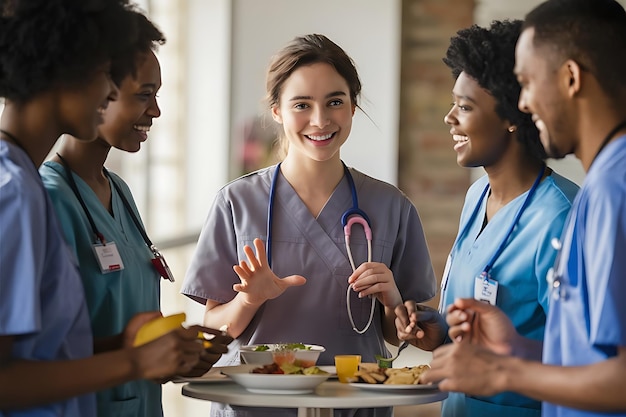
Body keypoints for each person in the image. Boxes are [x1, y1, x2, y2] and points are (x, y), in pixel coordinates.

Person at [181, 33, 436, 417]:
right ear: (277, 111)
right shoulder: (236, 203)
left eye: (335, 101)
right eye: (302, 104)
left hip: (354, 402)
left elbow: (394, 332)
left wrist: (392, 299)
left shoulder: (391, 206)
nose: (320, 120)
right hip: (257, 406)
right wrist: (250, 298)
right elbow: (216, 330)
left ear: (353, 107)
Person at [0, 1, 228, 415]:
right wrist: (135, 361)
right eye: (106, 72)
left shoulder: (22, 183)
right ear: (65, 67)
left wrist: (128, 344)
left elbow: (43, 347)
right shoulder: (14, 192)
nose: (109, 91)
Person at [420, 0, 626, 416]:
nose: (525, 104)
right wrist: (516, 348)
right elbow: (588, 352)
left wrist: (503, 372)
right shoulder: (601, 187)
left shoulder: (610, 190)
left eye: (527, 83)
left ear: (570, 78)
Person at [393, 19, 579, 417]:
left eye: (464, 106)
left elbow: (587, 361)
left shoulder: (560, 218)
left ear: (513, 115)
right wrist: (438, 329)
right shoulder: (477, 195)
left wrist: (504, 363)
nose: (449, 118)